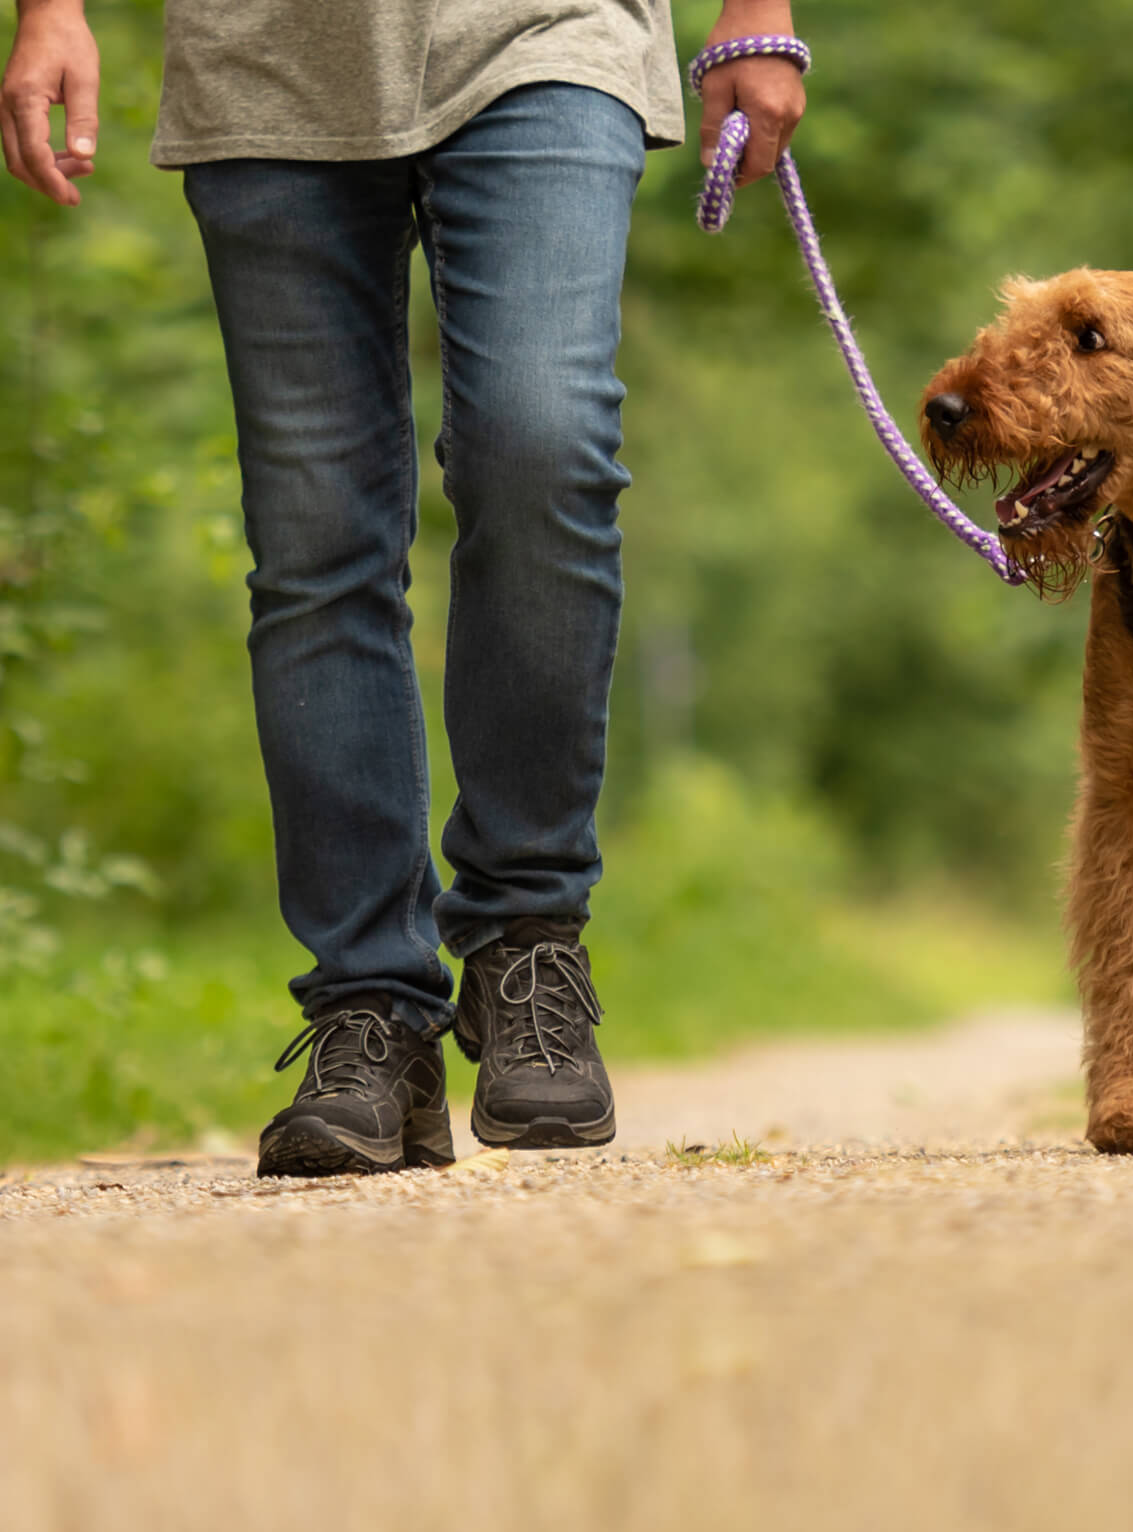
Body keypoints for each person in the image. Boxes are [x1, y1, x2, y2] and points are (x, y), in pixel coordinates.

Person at [2, 0, 804, 1174]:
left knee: (542, 441)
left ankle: (529, 934)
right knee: (315, 540)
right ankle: (368, 1010)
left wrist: (758, 10)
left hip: (547, 31)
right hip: (264, 56)